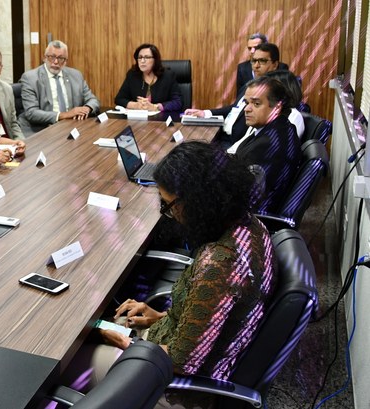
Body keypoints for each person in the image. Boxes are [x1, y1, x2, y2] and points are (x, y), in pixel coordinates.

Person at [72, 141, 276, 409]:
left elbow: (180, 362)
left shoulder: (218, 264)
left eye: (168, 205)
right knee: (106, 324)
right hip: (189, 352)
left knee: (73, 360)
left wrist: (128, 342)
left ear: (198, 200)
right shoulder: (249, 226)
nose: (167, 214)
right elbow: (212, 317)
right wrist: (159, 317)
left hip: (180, 389)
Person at [185, 43, 303, 148]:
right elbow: (234, 108)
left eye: (262, 61)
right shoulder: (249, 86)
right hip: (223, 136)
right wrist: (205, 113)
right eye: (253, 60)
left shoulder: (279, 98)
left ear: (275, 64)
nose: (256, 65)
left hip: (236, 143)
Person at [230, 75, 301, 214]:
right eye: (246, 103)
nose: (247, 109)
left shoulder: (268, 145)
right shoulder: (281, 127)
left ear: (277, 107)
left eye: (256, 104)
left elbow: (244, 195)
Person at [19, 40, 100, 133]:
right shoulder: (30, 78)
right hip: (43, 129)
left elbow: (93, 100)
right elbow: (31, 113)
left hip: (72, 127)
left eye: (61, 58)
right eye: (52, 57)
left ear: (66, 61)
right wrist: (64, 115)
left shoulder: (76, 75)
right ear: (44, 57)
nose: (56, 62)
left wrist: (87, 108)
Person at [114, 44, 182, 112]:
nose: (142, 61)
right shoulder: (132, 75)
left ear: (155, 60)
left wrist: (155, 107)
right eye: (140, 57)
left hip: (161, 120)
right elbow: (119, 99)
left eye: (147, 57)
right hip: (138, 120)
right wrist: (136, 105)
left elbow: (178, 102)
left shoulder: (168, 76)